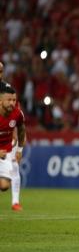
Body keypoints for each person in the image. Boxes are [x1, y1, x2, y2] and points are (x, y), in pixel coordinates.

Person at [0, 62, 24, 211]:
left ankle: (15, 201)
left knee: (14, 166)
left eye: (1, 71)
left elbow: (15, 117)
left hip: (7, 136)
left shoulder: (7, 89)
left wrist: (14, 136)